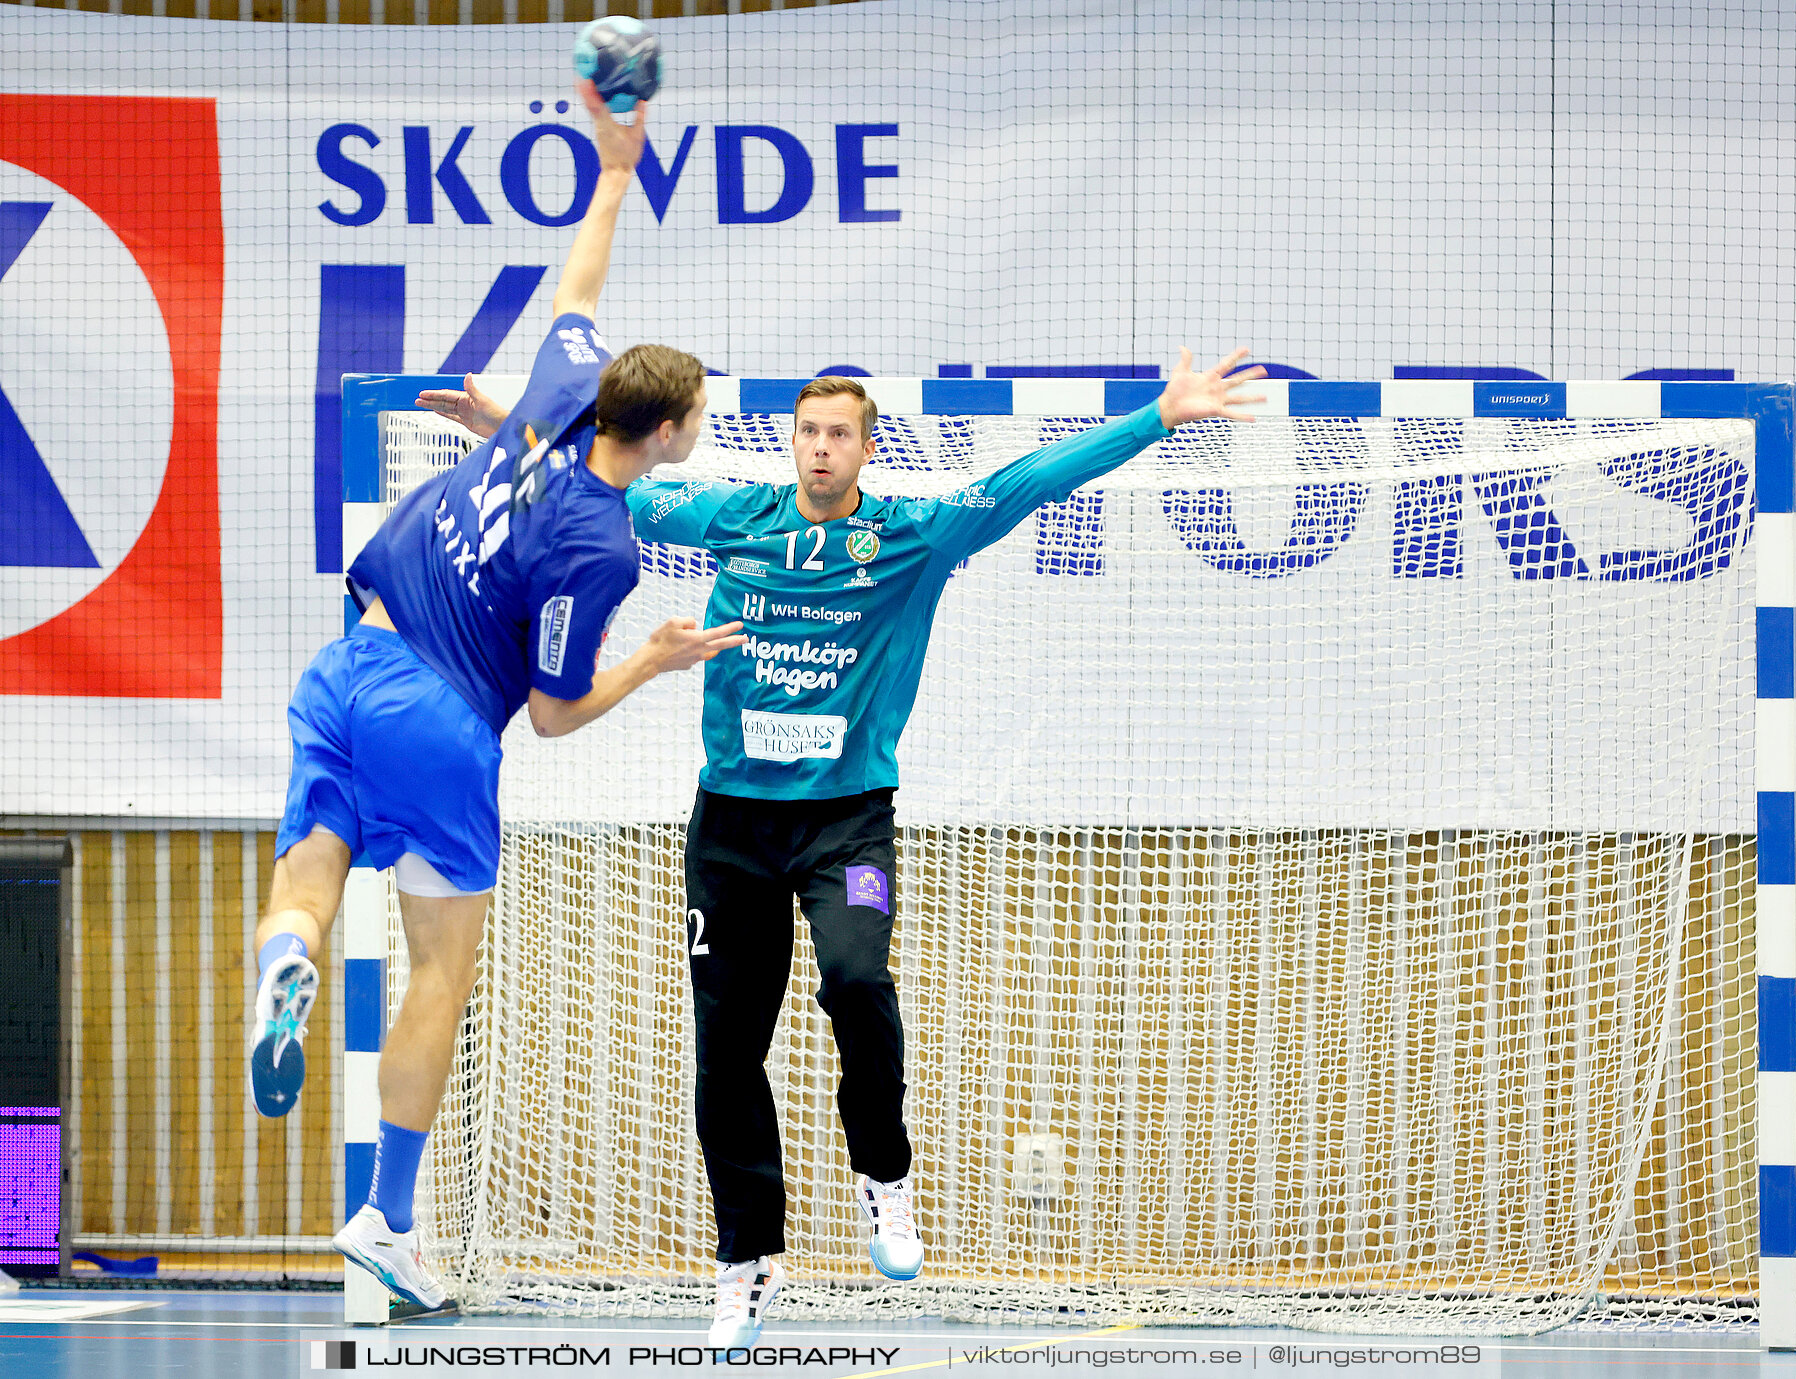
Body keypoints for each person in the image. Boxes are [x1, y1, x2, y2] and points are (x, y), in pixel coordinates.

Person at [419, 349, 1266, 1346]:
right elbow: (606, 479)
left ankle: (884, 1171)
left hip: (847, 821)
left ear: (868, 448)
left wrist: (1158, 416)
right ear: (793, 443)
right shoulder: (736, 517)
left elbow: (1030, 481)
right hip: (731, 827)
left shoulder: (912, 536)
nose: (822, 449)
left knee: (858, 979)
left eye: (839, 435)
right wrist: (504, 432)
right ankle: (746, 1254)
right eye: (807, 432)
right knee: (726, 1047)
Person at [249, 79, 744, 1313]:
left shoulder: (556, 393)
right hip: (437, 715)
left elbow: (577, 286)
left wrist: (615, 163)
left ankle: (283, 963)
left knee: (310, 870)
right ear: (669, 430)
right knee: (440, 969)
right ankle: (389, 1217)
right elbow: (556, 708)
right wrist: (656, 660)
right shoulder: (604, 547)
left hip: (345, 660)